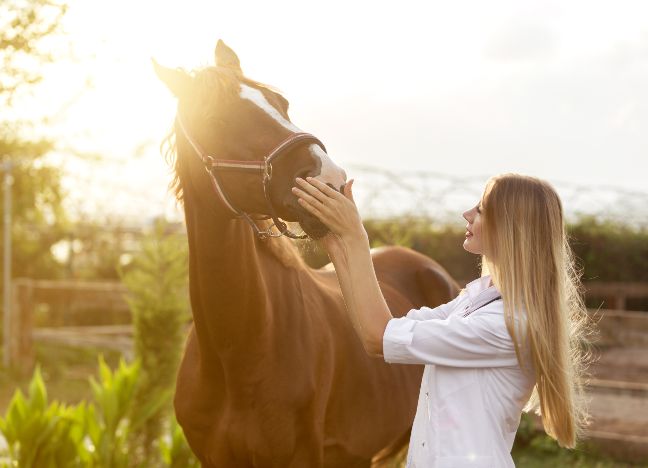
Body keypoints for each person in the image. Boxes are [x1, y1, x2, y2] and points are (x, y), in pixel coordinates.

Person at [291, 172, 592, 467]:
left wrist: (356, 236)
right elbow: (387, 325)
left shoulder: (506, 324)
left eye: (481, 209)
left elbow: (377, 335)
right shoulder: (476, 301)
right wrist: (336, 242)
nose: (467, 214)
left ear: (509, 228)